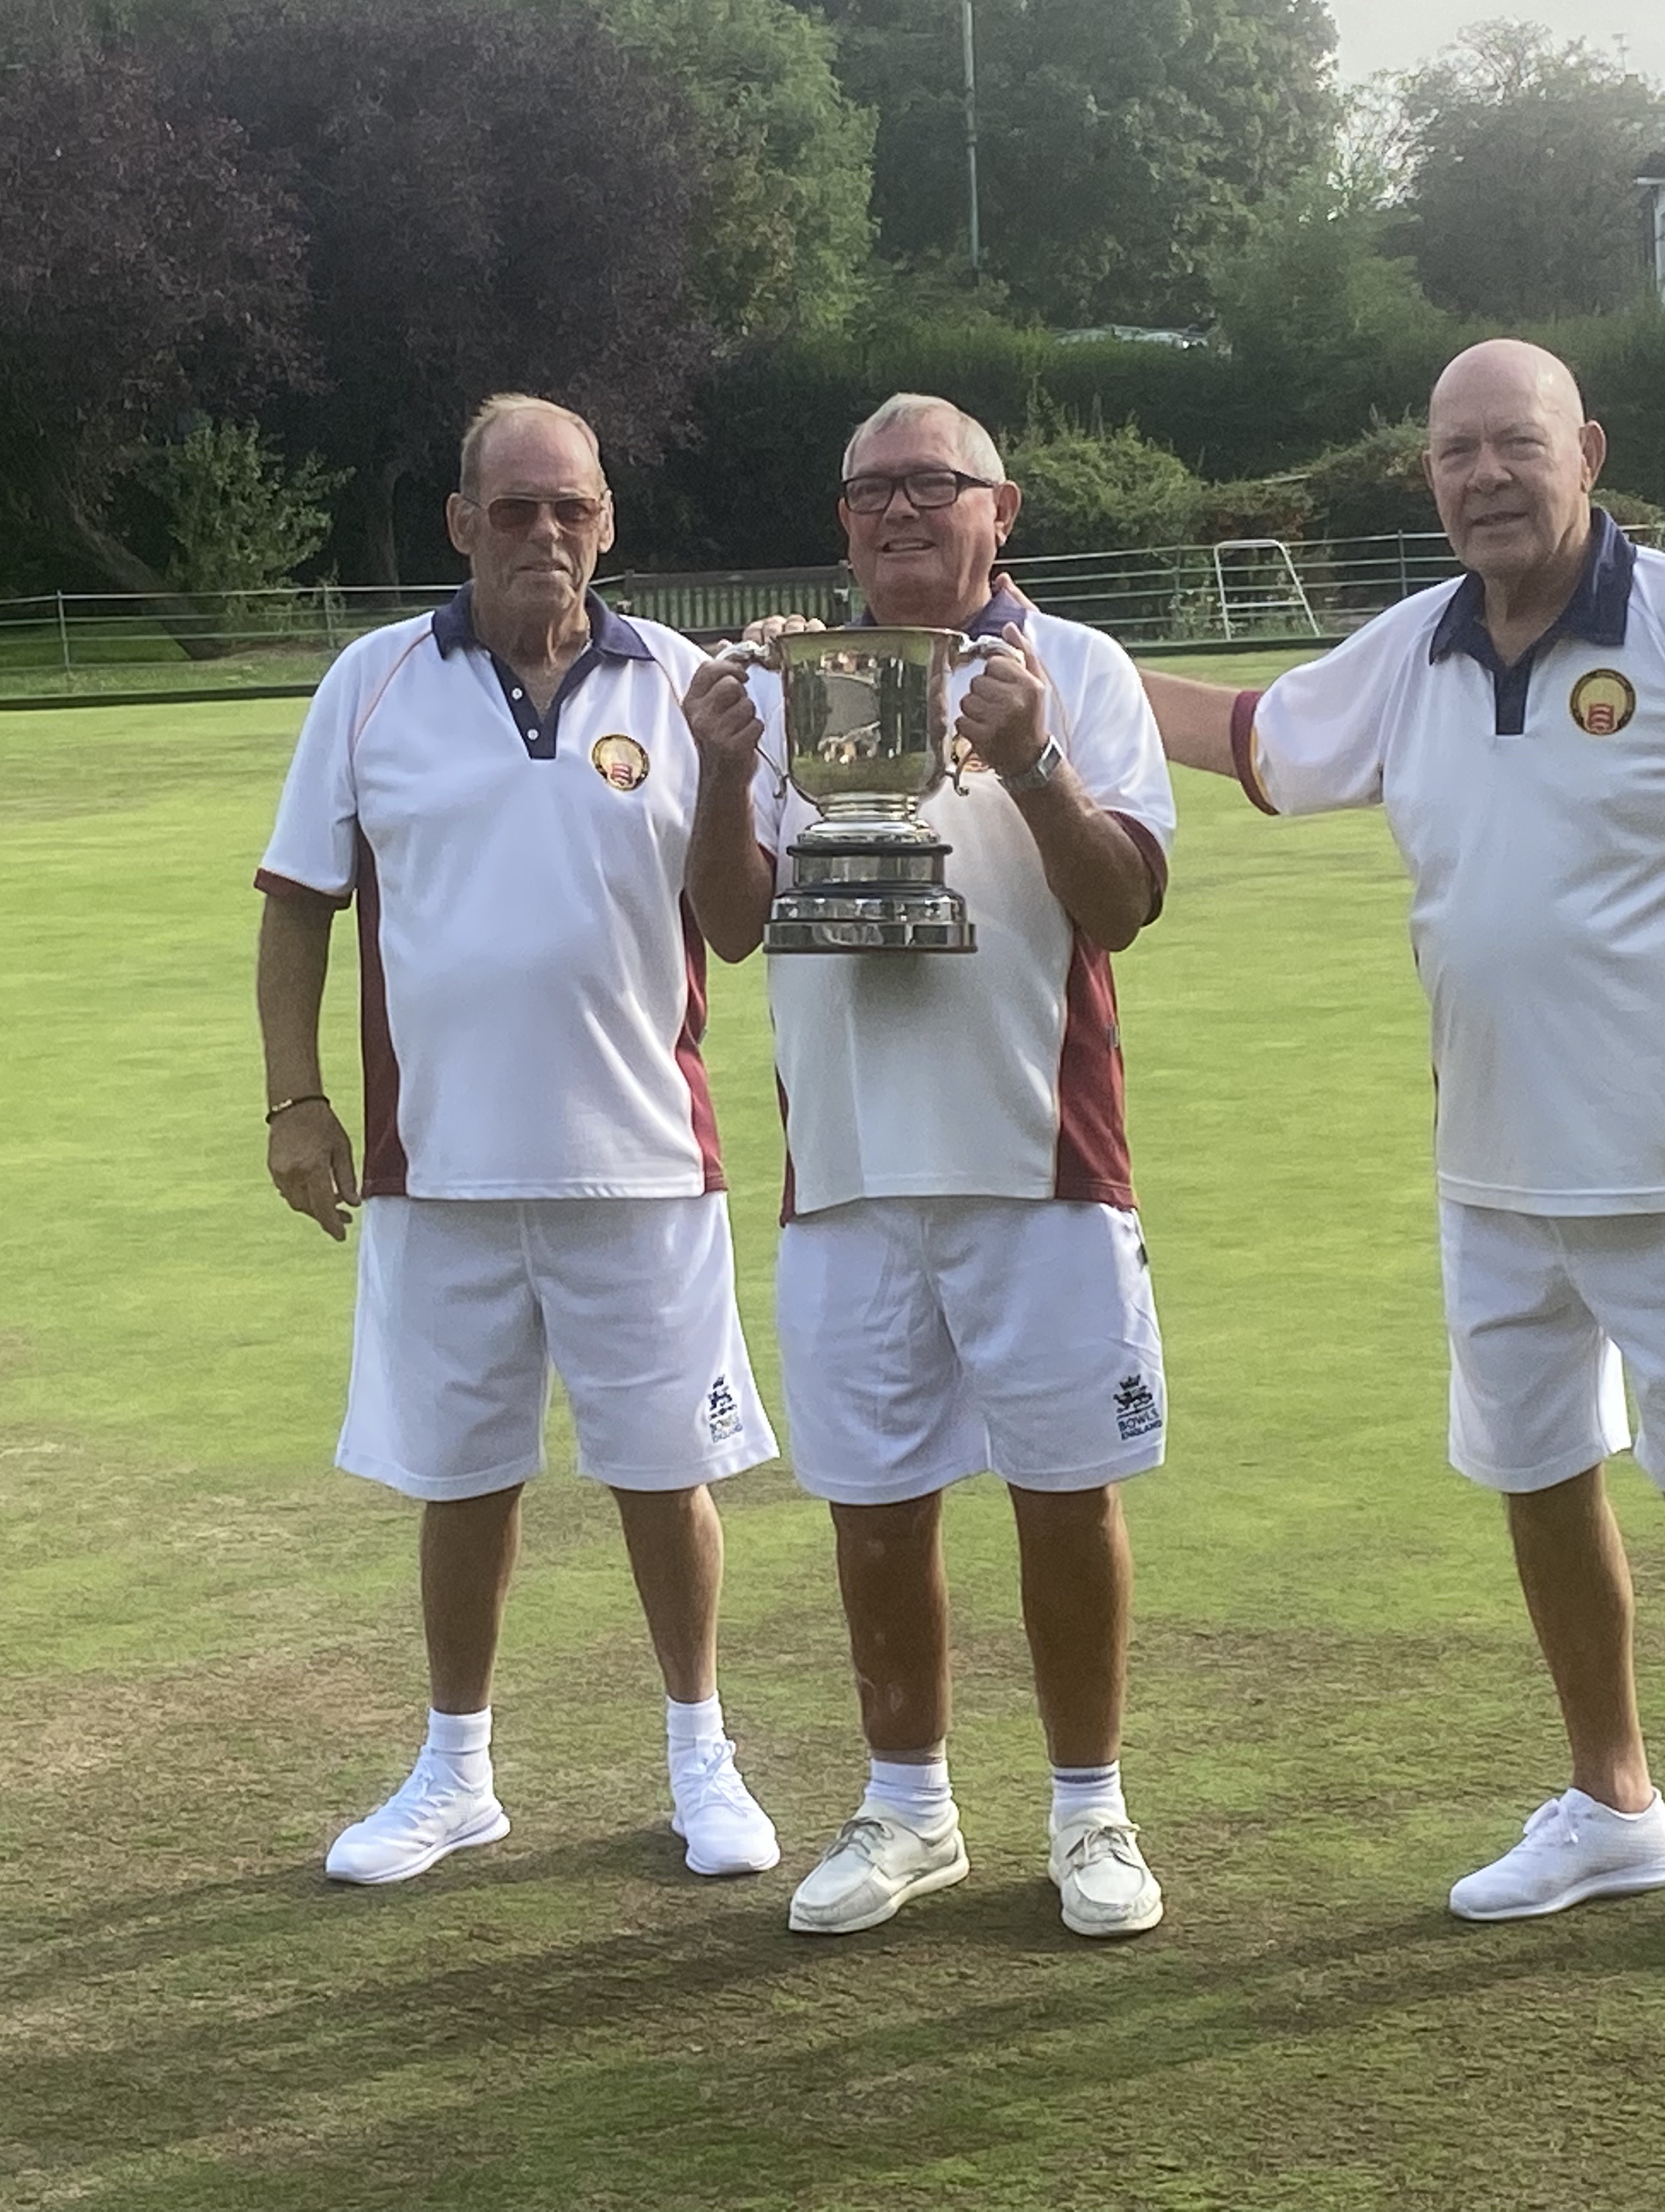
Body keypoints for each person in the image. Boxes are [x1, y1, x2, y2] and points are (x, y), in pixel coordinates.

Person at [1140, 339, 1665, 1963]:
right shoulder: (1417, 647)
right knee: (1539, 1479)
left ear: (1589, 452)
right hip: (1491, 1168)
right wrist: (1040, 657)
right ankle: (1613, 1803)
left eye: (1515, 445)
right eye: (1454, 453)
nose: (1484, 476)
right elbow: (1250, 737)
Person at [256, 394, 782, 1887]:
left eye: (571, 509)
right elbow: (299, 903)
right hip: (440, 1163)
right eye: (513, 509)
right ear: (460, 522)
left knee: (663, 1470)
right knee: (462, 1477)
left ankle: (702, 1758)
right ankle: (456, 1773)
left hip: (646, 1157)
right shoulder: (371, 683)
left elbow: (736, 933)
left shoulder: (687, 685)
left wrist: (735, 766)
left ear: (609, 522)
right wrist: (297, 1103)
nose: (543, 535)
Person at [682, 394, 1178, 1939]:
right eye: (874, 491)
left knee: (1063, 1494)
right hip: (842, 1167)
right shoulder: (799, 680)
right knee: (877, 1506)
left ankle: (1091, 1815)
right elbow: (733, 921)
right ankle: (909, 1809)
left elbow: (1124, 902)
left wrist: (1034, 761)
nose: (902, 511)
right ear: (843, 522)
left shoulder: (1080, 670)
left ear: (1000, 508)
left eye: (934, 485)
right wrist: (717, 769)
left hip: (1042, 1161)